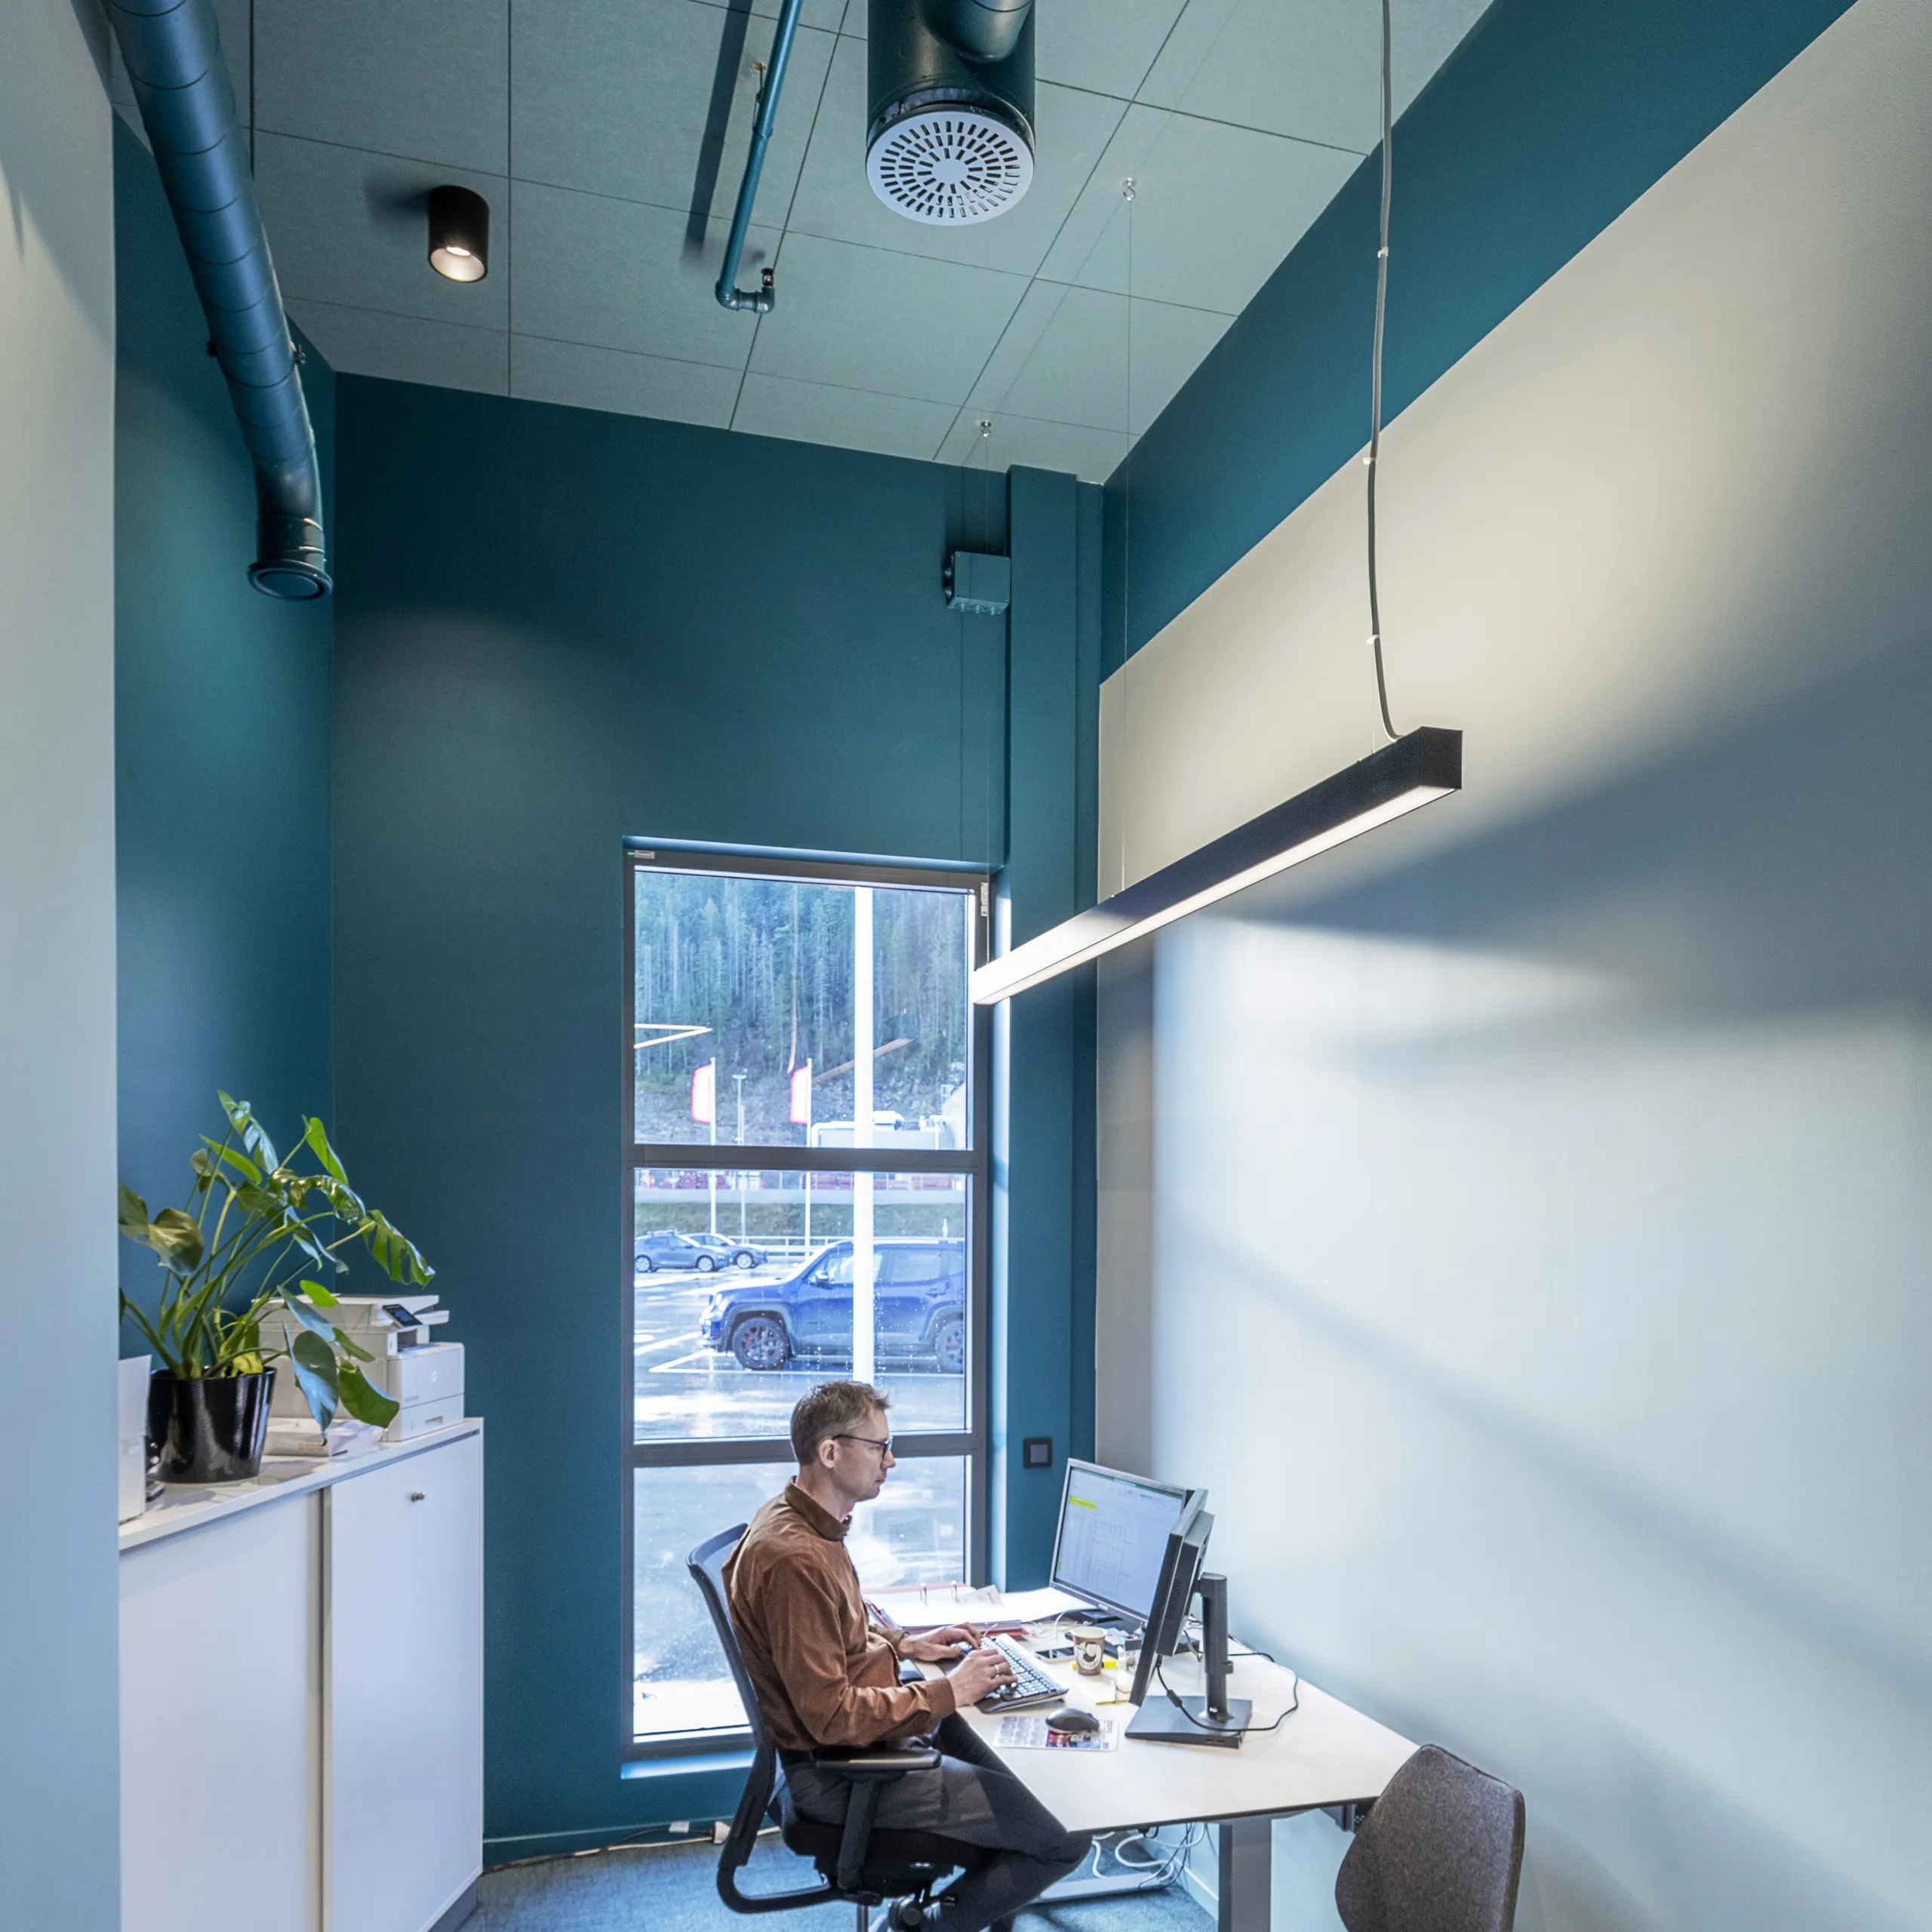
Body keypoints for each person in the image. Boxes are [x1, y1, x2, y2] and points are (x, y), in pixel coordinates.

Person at [724, 1380, 1092, 1932]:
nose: (891, 1461)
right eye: (879, 1447)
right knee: (1066, 1833)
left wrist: (906, 1645)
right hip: (848, 1772)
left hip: (879, 1738)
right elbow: (831, 1717)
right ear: (831, 1452)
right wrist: (949, 1691)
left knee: (1035, 1769)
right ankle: (916, 1926)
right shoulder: (795, 1559)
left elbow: (841, 1626)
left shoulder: (801, 1519)